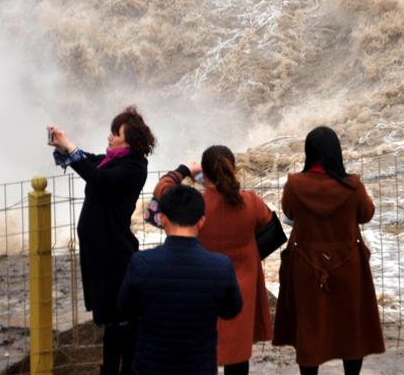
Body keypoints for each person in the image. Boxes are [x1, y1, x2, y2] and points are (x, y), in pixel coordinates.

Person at [48, 105, 155, 375]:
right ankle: (111, 369)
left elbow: (98, 178)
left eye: (115, 133)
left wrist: (71, 147)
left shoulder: (133, 168)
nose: (109, 137)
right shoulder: (112, 160)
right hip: (101, 251)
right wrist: (63, 146)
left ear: (130, 141)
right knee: (111, 317)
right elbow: (88, 161)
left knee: (120, 317)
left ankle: (124, 369)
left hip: (114, 252)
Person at [272, 126, 385, 375]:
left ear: (308, 152)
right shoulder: (353, 185)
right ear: (337, 152)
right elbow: (366, 214)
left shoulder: (294, 184)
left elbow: (289, 213)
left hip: (306, 264)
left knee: (310, 327)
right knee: (350, 328)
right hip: (347, 264)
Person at [153, 146, 273, 375]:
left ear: (204, 173)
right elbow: (267, 223)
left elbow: (162, 189)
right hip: (241, 288)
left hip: (200, 285)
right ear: (233, 169)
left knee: (201, 351)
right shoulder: (251, 202)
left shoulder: (195, 204)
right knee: (238, 356)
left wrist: (185, 170)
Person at [119, 185, 243, 375]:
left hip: (150, 367)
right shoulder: (221, 266)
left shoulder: (141, 262)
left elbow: (125, 308)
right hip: (200, 368)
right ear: (201, 222)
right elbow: (231, 310)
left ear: (163, 220)